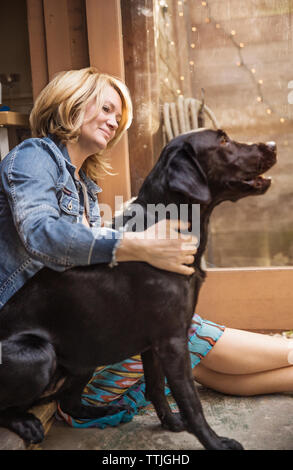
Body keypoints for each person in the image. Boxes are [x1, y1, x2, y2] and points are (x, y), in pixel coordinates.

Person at [0, 67, 292, 430]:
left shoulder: (85, 188)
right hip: (20, 336)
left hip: (68, 330)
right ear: (70, 102)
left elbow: (88, 270)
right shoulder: (33, 157)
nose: (113, 122)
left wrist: (137, 221)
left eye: (117, 118)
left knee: (181, 343)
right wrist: (132, 241)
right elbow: (42, 235)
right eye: (105, 109)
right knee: (180, 332)